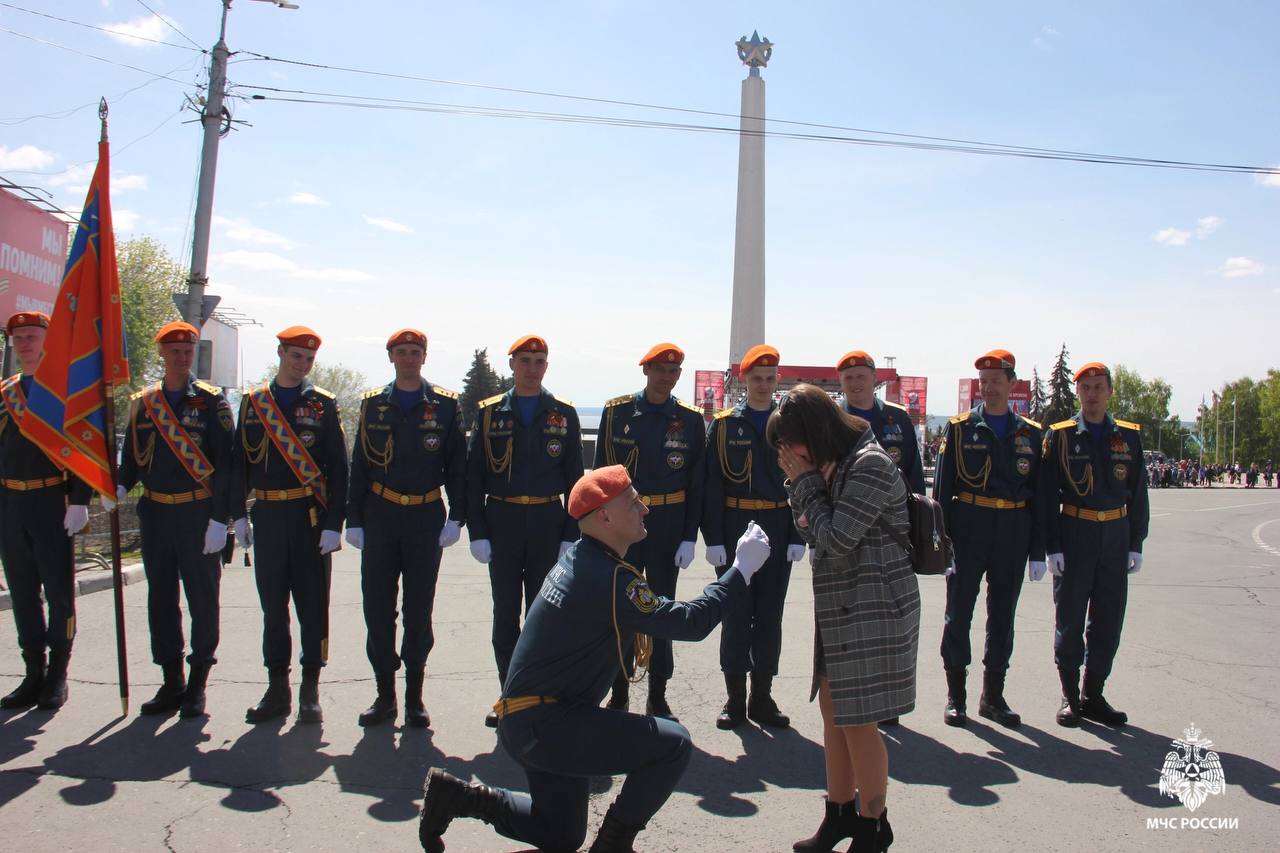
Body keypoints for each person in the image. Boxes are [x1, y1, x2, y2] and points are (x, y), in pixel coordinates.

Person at [419, 465, 771, 853]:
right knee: (673, 745)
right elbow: (690, 622)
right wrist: (741, 570)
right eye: (633, 503)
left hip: (534, 720)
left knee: (561, 834)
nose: (645, 510)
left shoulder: (585, 561)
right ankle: (613, 846)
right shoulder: (609, 578)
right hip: (547, 723)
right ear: (604, 516)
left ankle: (459, 797)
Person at [770, 384, 919, 853]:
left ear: (813, 434)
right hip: (842, 603)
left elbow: (836, 539)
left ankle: (874, 825)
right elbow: (810, 526)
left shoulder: (869, 464)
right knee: (834, 713)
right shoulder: (835, 464)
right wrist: (805, 489)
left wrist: (806, 486)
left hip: (873, 607)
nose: (785, 457)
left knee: (860, 720)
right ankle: (838, 815)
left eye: (787, 445)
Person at [111, 321, 234, 717]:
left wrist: (222, 520)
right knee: (160, 598)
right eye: (175, 351)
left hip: (198, 512)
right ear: (162, 354)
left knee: (203, 599)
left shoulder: (212, 402)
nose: (182, 357)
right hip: (157, 512)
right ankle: (171, 681)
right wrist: (117, 485)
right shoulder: (142, 404)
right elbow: (131, 459)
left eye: (188, 351)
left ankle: (198, 683)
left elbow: (228, 465)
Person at [345, 328, 465, 728]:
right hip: (380, 514)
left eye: (416, 352)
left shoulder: (446, 406)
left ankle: (414, 697)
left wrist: (458, 516)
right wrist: (354, 519)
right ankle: (385, 696)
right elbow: (359, 466)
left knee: (418, 609)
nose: (410, 358)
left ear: (425, 357)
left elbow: (457, 466)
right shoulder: (373, 404)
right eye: (402, 352)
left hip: (425, 517)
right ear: (391, 357)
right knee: (378, 608)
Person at [231, 326, 349, 725]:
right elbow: (237, 465)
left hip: (309, 518)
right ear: (280, 353)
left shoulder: (322, 406)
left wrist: (335, 523)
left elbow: (339, 468)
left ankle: (310, 688)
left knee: (312, 607)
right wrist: (236, 515)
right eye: (296, 355)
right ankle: (276, 688)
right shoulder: (253, 403)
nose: (301, 364)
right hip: (267, 517)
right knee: (273, 607)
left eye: (309, 359)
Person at [466, 335, 584, 727]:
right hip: (502, 522)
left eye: (539, 361)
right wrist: (477, 531)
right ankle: (509, 694)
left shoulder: (563, 414)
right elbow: (474, 476)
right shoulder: (489, 413)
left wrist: (571, 532)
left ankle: (540, 696)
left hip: (548, 523)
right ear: (512, 364)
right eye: (525, 360)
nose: (532, 368)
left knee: (543, 614)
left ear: (546, 367)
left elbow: (574, 480)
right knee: (505, 614)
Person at [934, 349, 1045, 728]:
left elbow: (1041, 496)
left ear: (1011, 384)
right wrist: (941, 543)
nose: (989, 388)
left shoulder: (1030, 433)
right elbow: (943, 490)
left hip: (1013, 529)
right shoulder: (961, 427)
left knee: (1002, 616)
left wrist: (1039, 551)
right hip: (969, 526)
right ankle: (956, 696)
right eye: (984, 382)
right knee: (959, 612)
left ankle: (993, 696)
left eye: (997, 381)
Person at [596, 342, 707, 717]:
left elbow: (697, 483)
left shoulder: (690, 421)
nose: (666, 377)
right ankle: (619, 691)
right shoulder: (618, 413)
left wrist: (690, 535)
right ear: (645, 371)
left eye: (673, 371)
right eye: (659, 369)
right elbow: (600, 478)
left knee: (662, 610)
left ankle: (658, 693)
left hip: (668, 525)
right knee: (619, 609)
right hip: (625, 525)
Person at [1039, 362, 1150, 727]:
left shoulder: (1128, 436)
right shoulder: (1061, 435)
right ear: (1078, 393)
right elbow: (1045, 495)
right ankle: (1069, 696)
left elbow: (1138, 494)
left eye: (1098, 387)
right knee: (1069, 618)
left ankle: (1094, 693)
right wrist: (1051, 545)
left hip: (1115, 536)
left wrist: (1136, 542)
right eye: (1085, 388)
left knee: (1108, 620)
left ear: (1110, 391)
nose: (1092, 394)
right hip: (1075, 532)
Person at [702, 344, 805, 729]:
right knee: (735, 614)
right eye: (756, 378)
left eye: (769, 377)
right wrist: (712, 538)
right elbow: (711, 484)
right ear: (744, 381)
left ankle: (762, 696)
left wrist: (799, 533)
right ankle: (734, 700)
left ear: (777, 379)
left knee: (769, 616)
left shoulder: (792, 424)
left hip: (779, 525)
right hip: (735, 527)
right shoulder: (725, 424)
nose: (763, 385)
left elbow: (803, 480)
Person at [0, 311, 91, 710]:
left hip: (52, 503)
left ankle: (58, 675)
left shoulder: (66, 393)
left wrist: (80, 499)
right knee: (22, 593)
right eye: (18, 338)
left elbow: (86, 449)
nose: (24, 344)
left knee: (58, 593)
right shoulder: (5, 394)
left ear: (47, 342)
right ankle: (32, 672)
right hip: (10, 504)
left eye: (32, 337)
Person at [837, 350, 926, 495]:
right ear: (840, 380)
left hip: (892, 510)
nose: (854, 383)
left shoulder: (899, 417)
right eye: (848, 378)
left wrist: (919, 513)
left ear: (874, 377)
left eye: (860, 376)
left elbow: (914, 471)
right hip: (845, 508)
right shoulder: (831, 418)